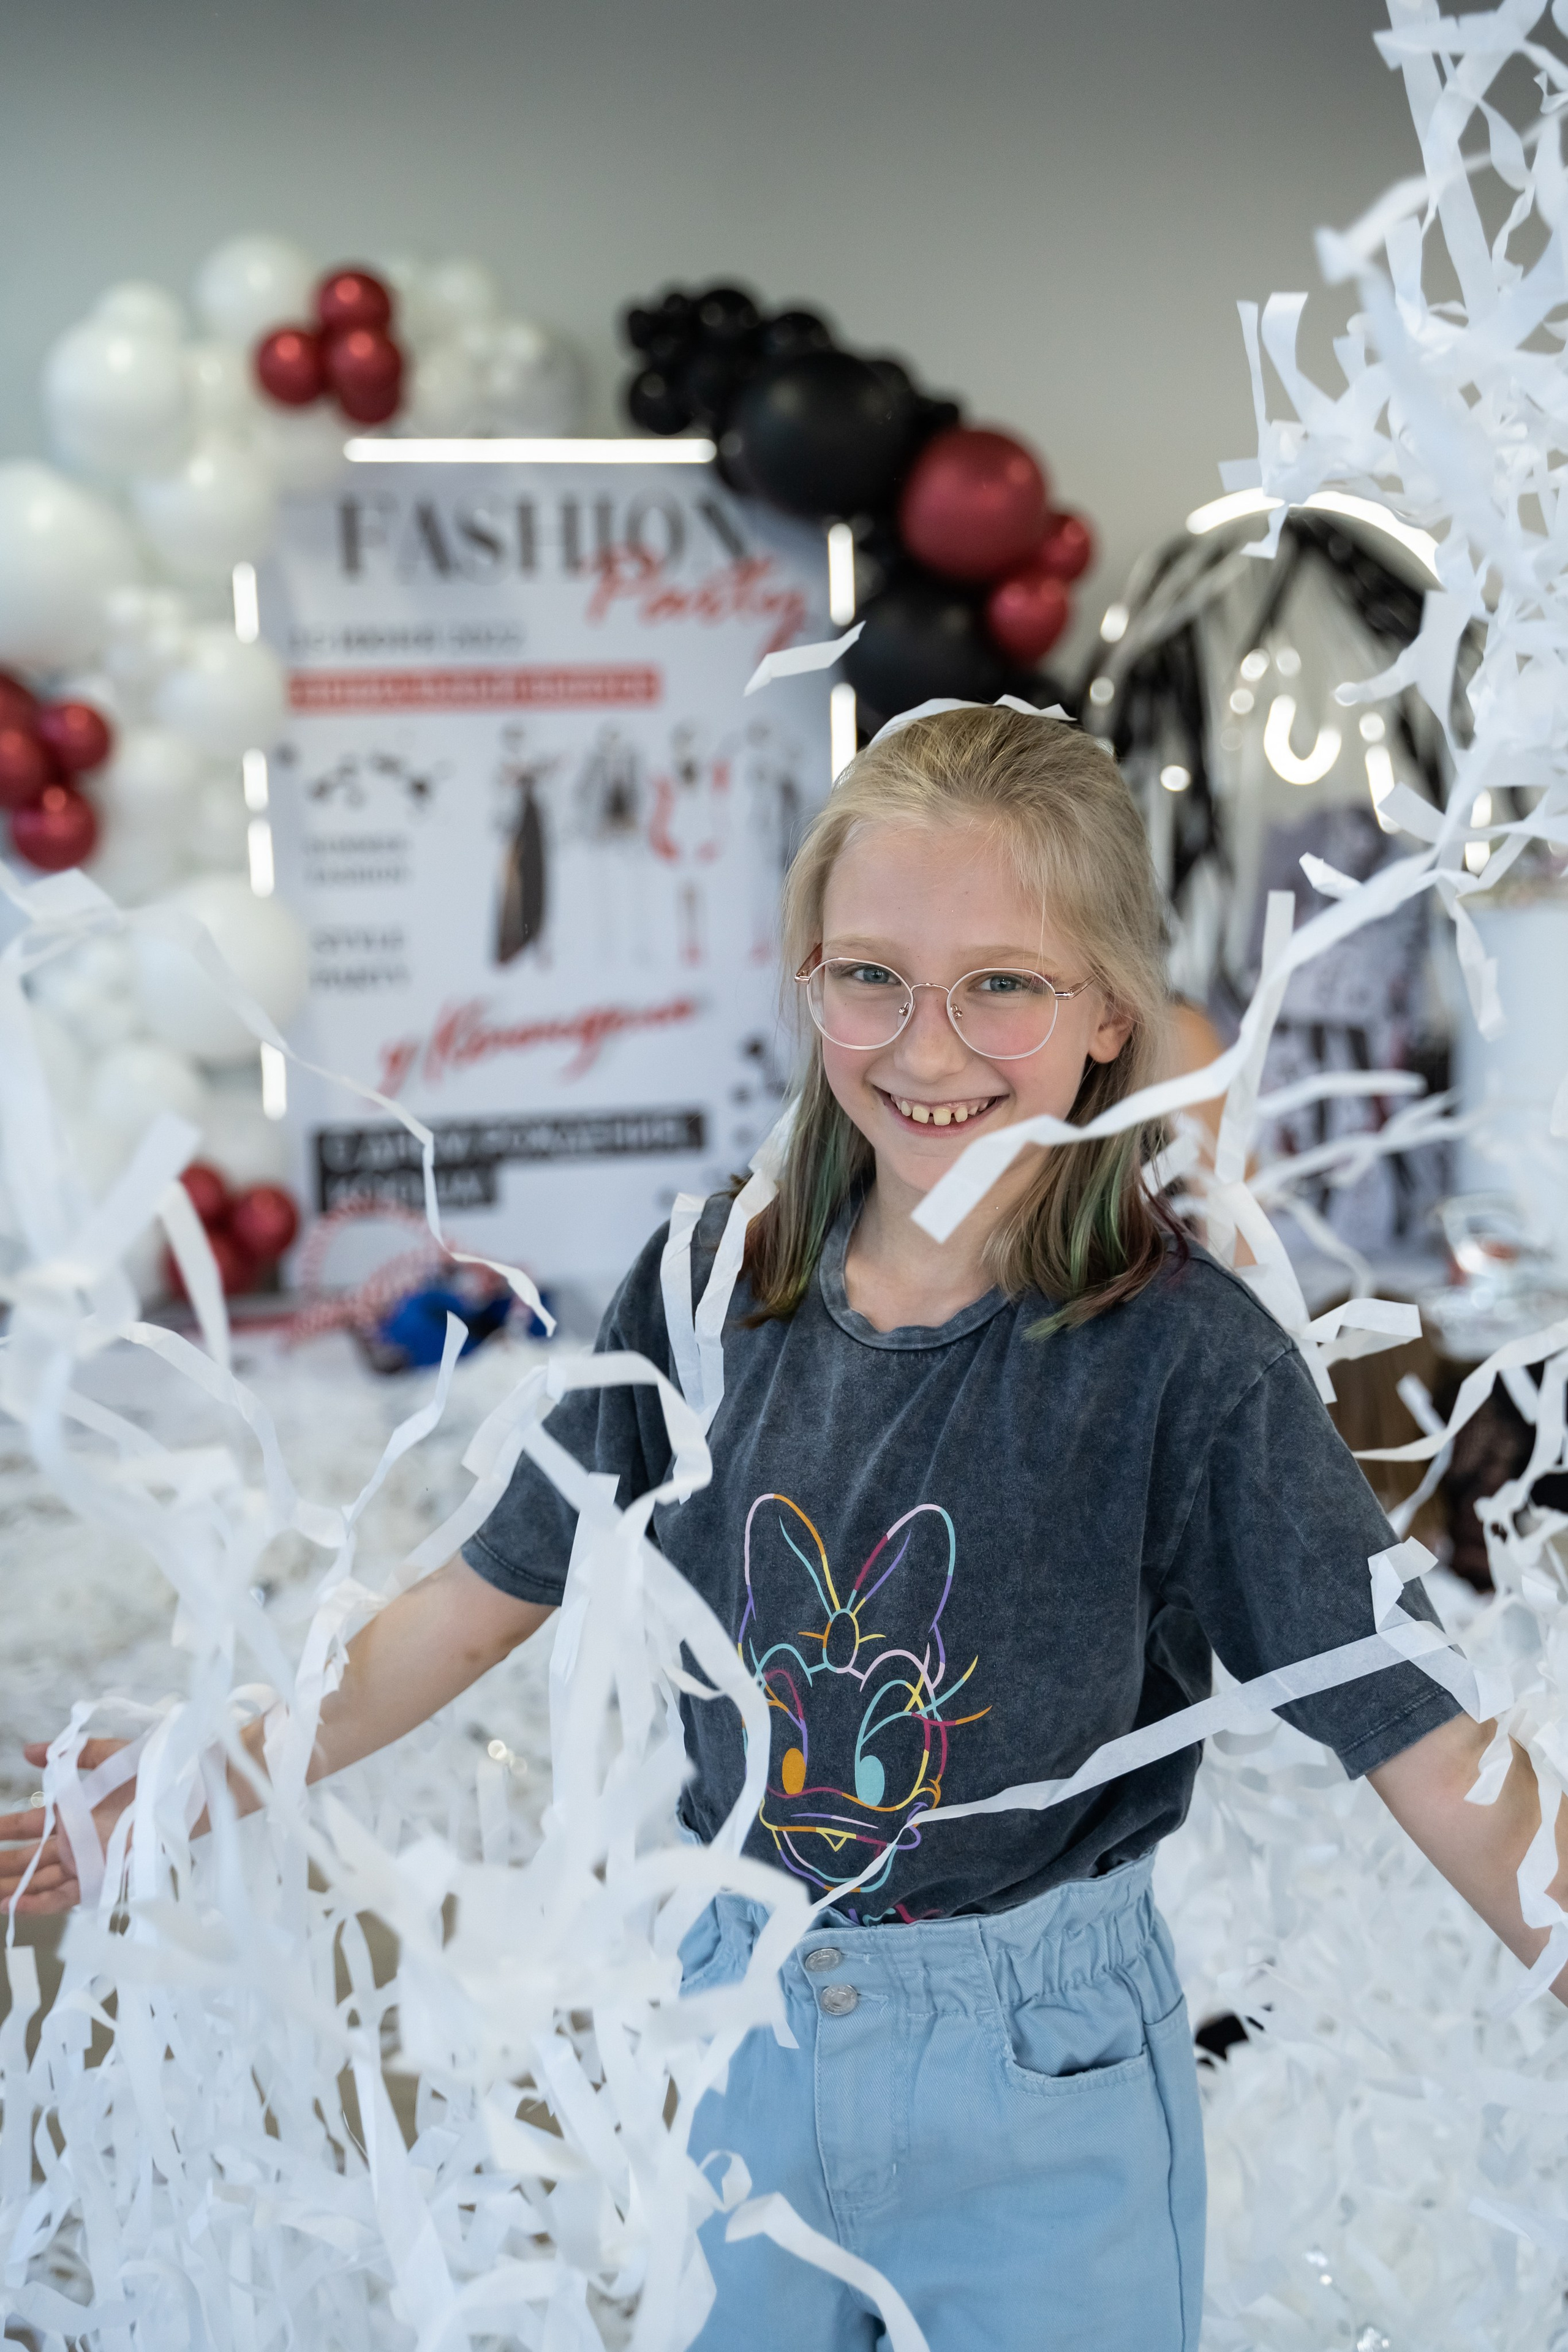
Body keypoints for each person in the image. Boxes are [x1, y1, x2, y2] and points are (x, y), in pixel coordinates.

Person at [3, 705, 1562, 2352]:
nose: (928, 1045)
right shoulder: (702, 1290)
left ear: (1113, 1012)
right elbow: (471, 1600)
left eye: (1004, 985)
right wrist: (212, 1771)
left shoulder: (1185, 1368)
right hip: (744, 2036)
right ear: (808, 978)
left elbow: (1427, 1744)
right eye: (869, 974)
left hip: (1044, 2081)